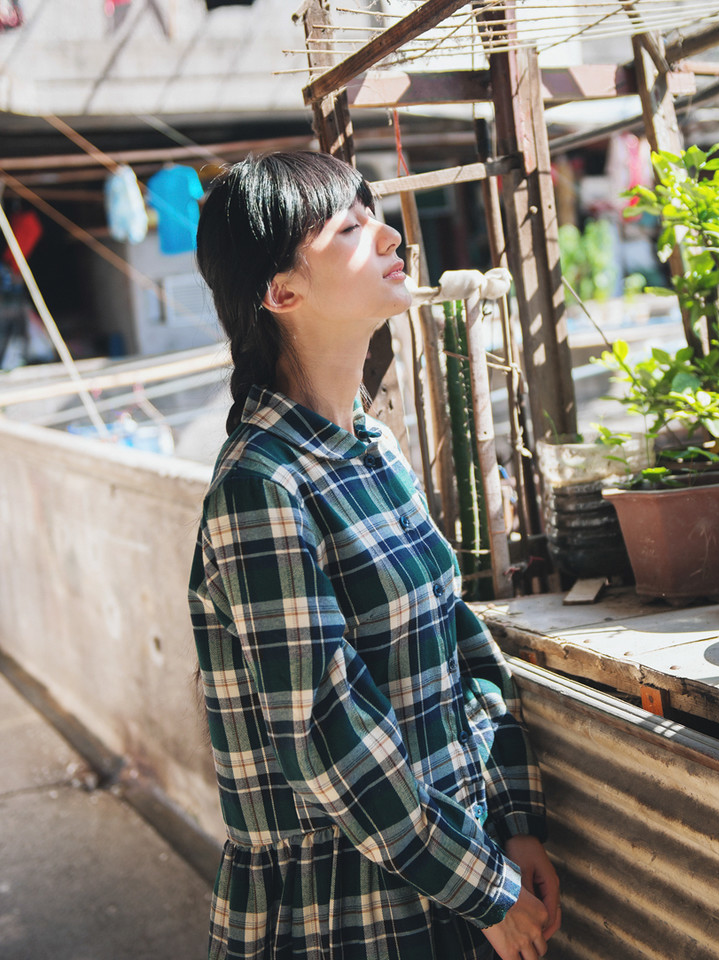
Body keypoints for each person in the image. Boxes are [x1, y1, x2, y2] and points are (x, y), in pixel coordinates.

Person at [188, 151, 561, 960]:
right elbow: (329, 735)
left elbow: (457, 639)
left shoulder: (372, 446)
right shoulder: (260, 487)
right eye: (352, 228)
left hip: (452, 872)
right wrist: (485, 891)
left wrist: (514, 821)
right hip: (347, 915)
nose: (390, 236)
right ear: (282, 293)